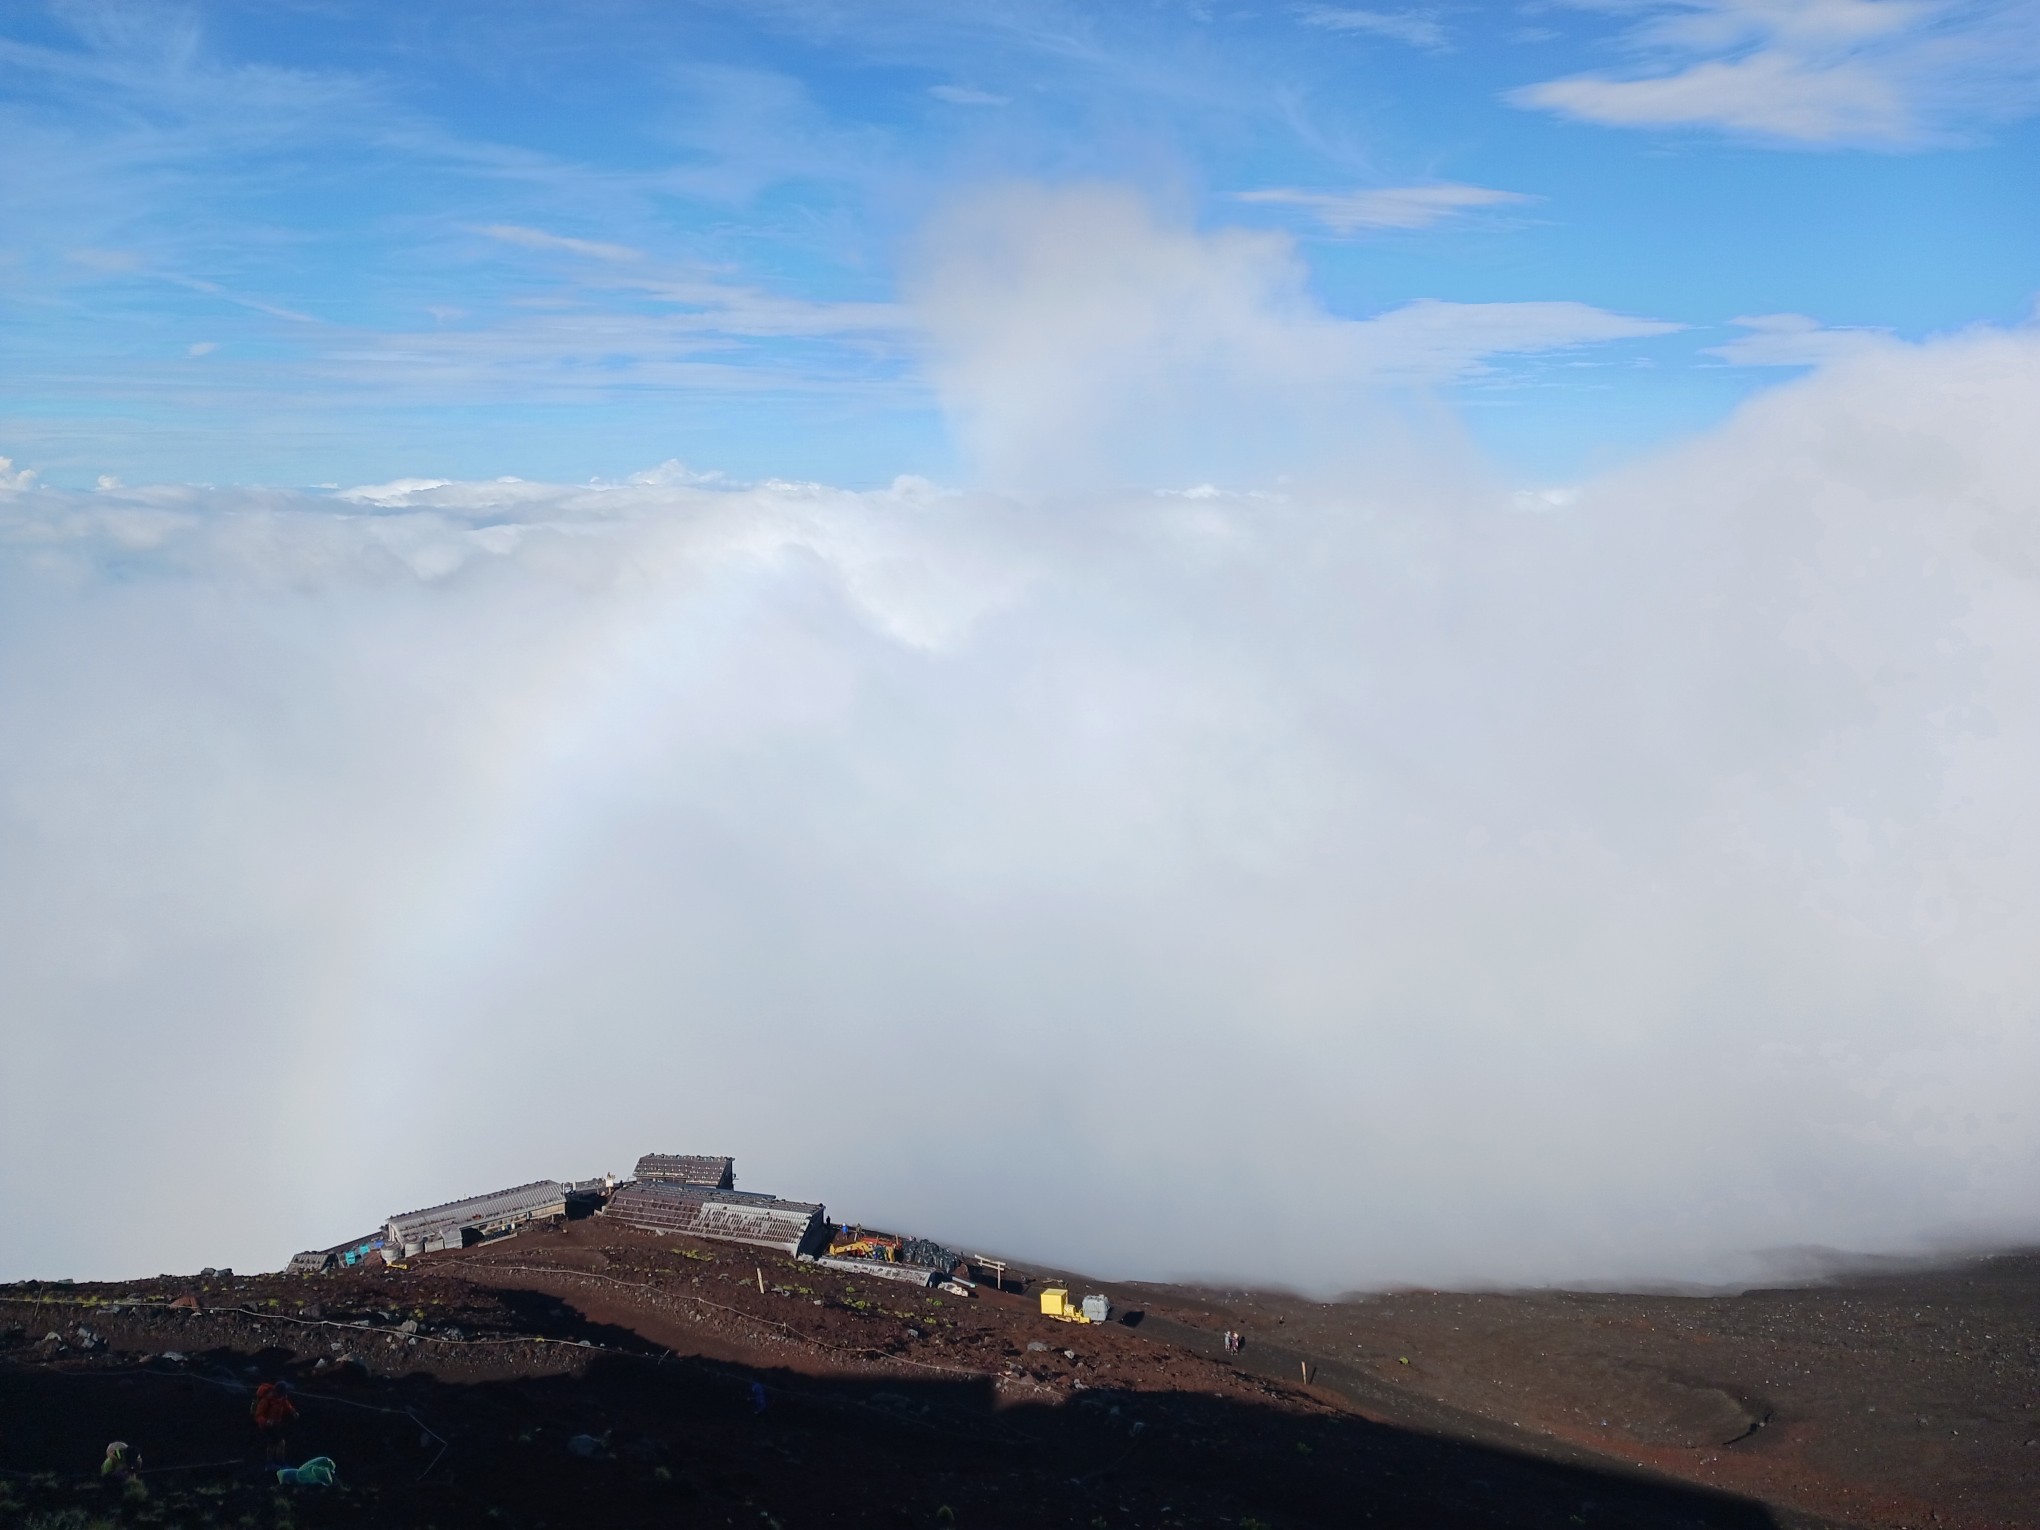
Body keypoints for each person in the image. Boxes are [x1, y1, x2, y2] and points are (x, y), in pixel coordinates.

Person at [253, 1380, 299, 1461]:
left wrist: (293, 1412)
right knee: (281, 1442)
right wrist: (266, 1421)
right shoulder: (266, 1400)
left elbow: (286, 1404)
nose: (282, 1396)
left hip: (275, 1424)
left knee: (272, 1443)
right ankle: (280, 1463)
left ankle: (270, 1462)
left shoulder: (281, 1397)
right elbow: (258, 1415)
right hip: (266, 1426)